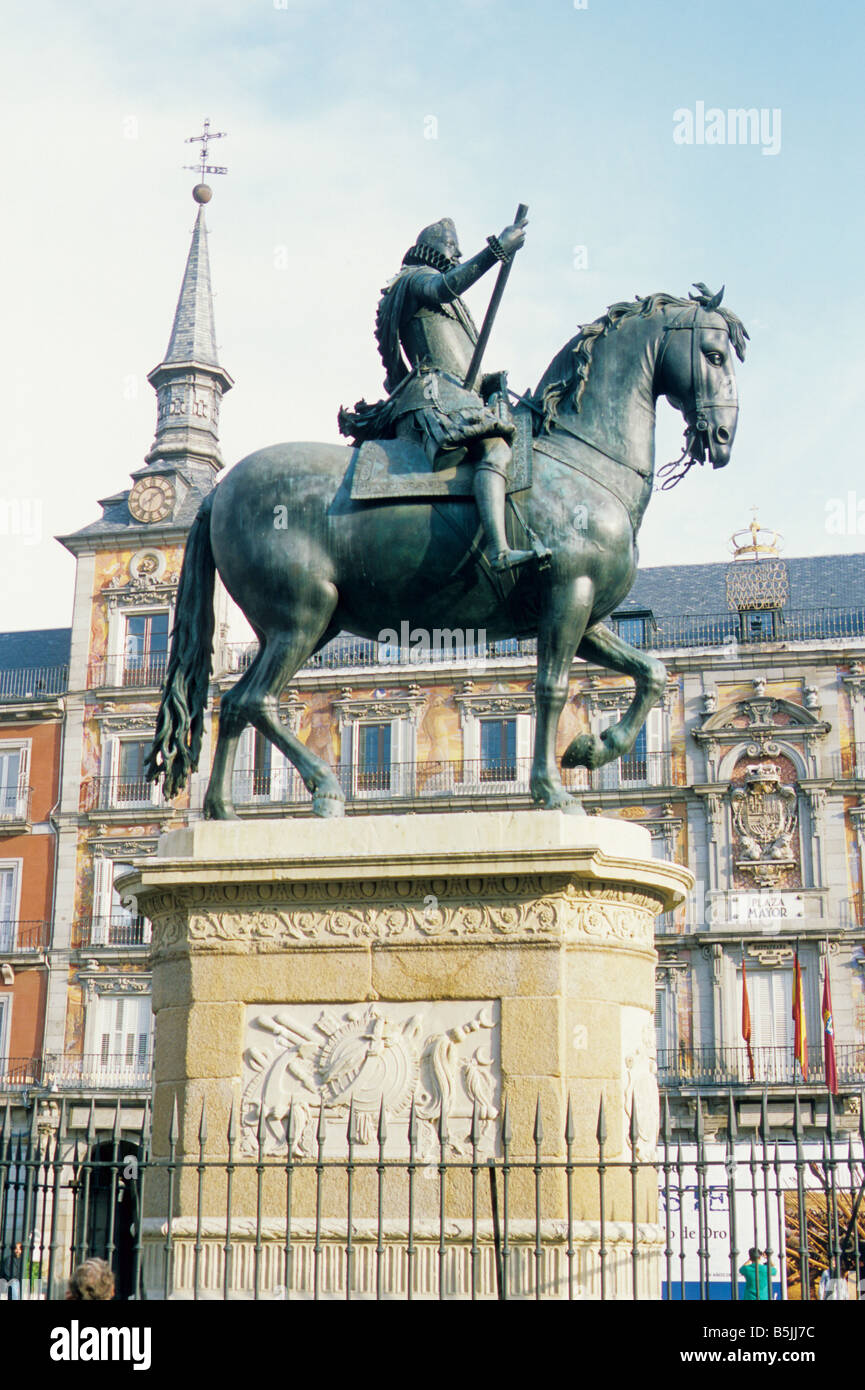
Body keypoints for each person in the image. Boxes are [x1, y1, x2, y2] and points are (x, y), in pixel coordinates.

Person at [339, 214, 547, 572]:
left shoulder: (438, 293)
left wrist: (487, 381)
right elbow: (444, 288)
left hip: (456, 391)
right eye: (453, 247)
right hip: (433, 395)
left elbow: (460, 356)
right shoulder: (415, 279)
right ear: (431, 250)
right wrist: (495, 251)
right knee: (495, 449)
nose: (459, 253)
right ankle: (498, 549)